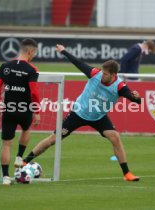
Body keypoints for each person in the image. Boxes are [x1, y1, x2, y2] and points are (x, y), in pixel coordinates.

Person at [23, 44, 141, 181]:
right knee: (53, 139)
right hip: (78, 113)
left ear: (114, 75)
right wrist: (64, 51)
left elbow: (135, 100)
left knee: (115, 137)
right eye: (103, 72)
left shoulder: (120, 86)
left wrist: (137, 98)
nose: (103, 76)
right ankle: (25, 161)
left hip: (99, 117)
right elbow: (78, 63)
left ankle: (127, 174)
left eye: (106, 74)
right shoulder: (95, 74)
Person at [0, 38, 40, 185]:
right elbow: (34, 92)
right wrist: (36, 110)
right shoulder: (32, 70)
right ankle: (19, 157)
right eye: (34, 53)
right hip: (24, 108)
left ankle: (6, 177)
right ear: (30, 51)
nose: (33, 56)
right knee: (26, 129)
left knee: (6, 144)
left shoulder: (5, 66)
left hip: (9, 108)